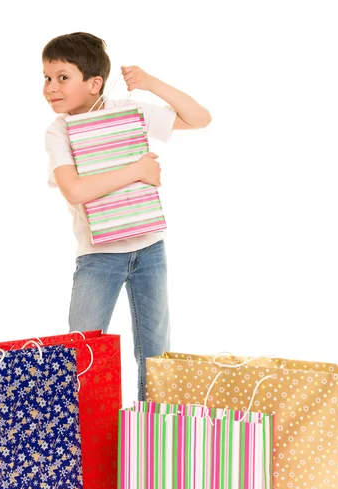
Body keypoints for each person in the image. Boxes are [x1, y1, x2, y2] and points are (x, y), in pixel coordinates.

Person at [43, 32, 211, 401]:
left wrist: (150, 83)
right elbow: (75, 190)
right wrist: (138, 170)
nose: (51, 87)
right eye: (47, 78)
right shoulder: (58, 132)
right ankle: (87, 444)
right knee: (81, 353)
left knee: (156, 355)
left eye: (62, 77)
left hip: (150, 250)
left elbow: (199, 118)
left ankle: (152, 445)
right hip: (97, 256)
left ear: (94, 83)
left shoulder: (126, 110)